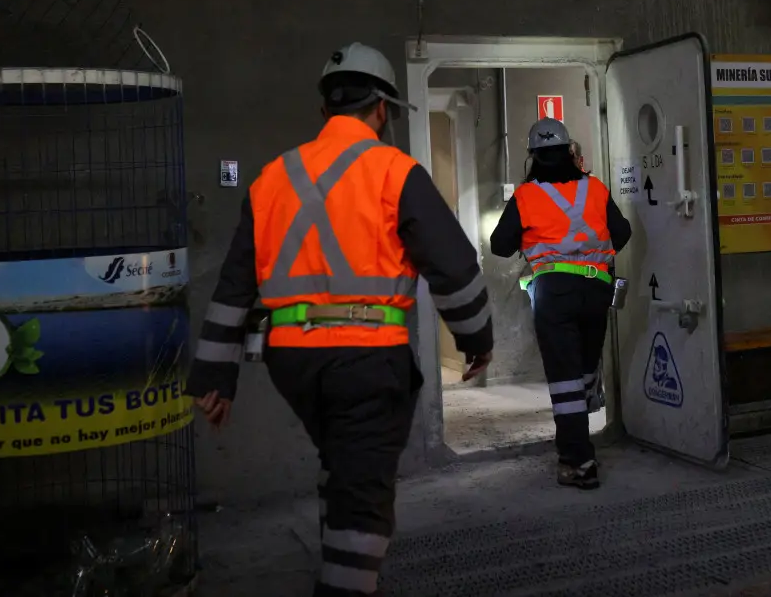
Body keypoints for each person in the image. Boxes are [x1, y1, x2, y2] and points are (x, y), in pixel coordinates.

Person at [185, 42, 494, 597]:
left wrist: (214, 378)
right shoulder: (396, 171)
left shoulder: (271, 178)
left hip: (293, 365)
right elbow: (455, 266)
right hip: (367, 361)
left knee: (344, 465)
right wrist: (476, 338)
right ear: (382, 109)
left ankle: (345, 561)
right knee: (363, 496)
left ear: (325, 110)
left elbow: (233, 287)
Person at [489, 117, 631, 489]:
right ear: (570, 152)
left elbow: (500, 245)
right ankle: (577, 440)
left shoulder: (527, 195)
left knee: (565, 379)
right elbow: (623, 232)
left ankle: (578, 461)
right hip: (596, 287)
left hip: (555, 293)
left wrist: (537, 245)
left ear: (533, 156)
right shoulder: (595, 188)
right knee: (583, 371)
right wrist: (595, 256)